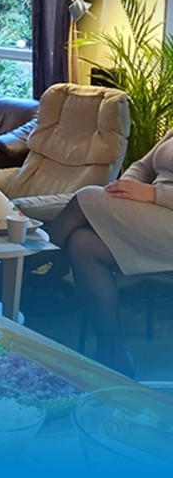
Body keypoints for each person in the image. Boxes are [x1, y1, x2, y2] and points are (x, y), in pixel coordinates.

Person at [44, 130, 173, 376]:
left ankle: (31, 268)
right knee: (83, 244)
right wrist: (125, 189)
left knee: (86, 197)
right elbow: (143, 165)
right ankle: (112, 351)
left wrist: (154, 194)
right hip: (155, 217)